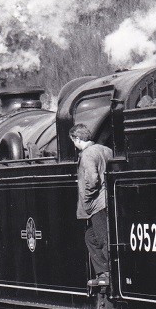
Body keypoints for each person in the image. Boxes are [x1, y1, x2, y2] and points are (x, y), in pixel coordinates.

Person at [70, 124, 114, 291]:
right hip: (109, 198)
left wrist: (87, 198)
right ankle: (103, 272)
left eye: (73, 141)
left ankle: (108, 274)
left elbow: (93, 179)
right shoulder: (105, 149)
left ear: (77, 138)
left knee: (103, 238)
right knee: (91, 235)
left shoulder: (87, 154)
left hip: (97, 203)